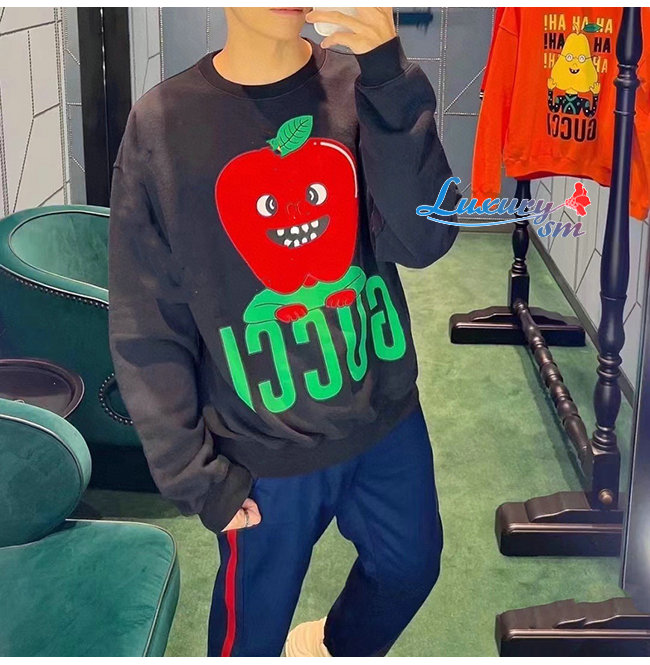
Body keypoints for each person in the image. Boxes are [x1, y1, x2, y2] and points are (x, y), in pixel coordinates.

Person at [108, 7, 459, 657]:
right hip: (260, 449)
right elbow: (146, 318)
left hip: (384, 414)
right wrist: (192, 471)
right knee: (250, 636)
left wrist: (388, 76)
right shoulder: (163, 124)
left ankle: (335, 646)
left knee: (410, 568)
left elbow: (427, 237)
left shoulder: (361, 86)